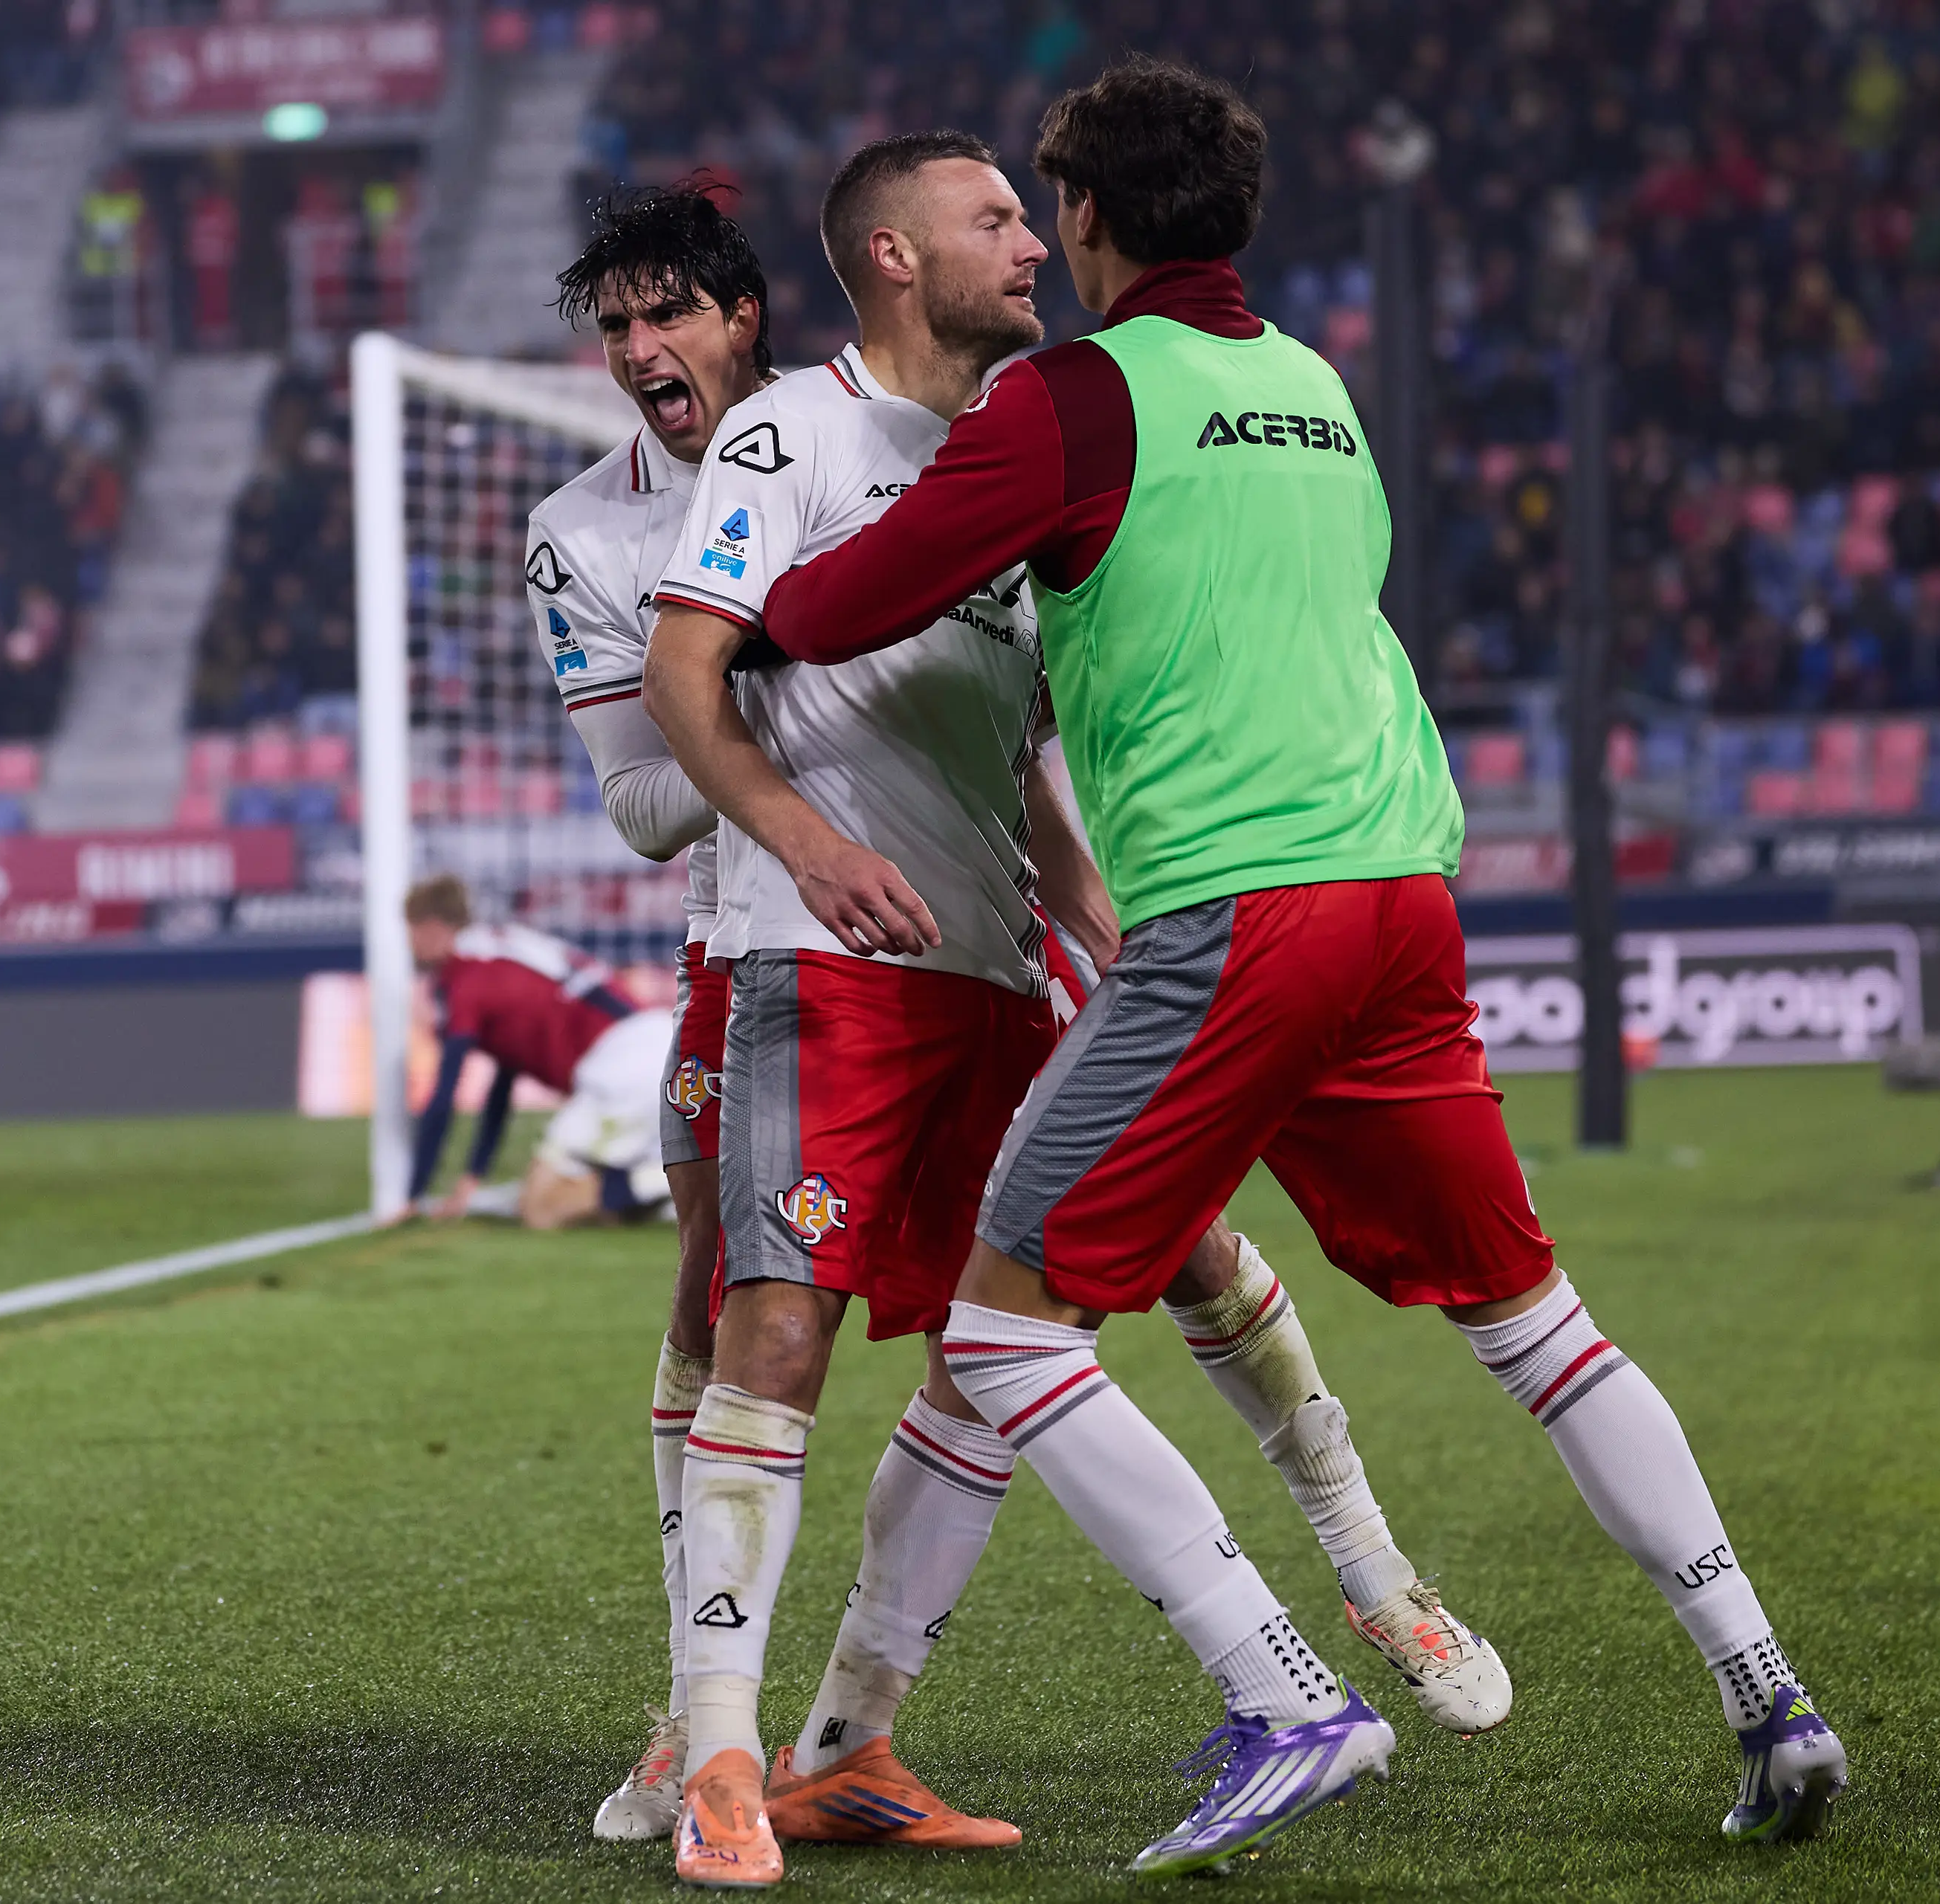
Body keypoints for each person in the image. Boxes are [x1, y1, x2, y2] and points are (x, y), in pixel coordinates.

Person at [755, 57, 1850, 1859]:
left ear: (1092, 219)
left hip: (1237, 911)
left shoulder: (1070, 400)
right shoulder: (1309, 387)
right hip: (1399, 903)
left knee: (998, 1323)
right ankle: (1764, 1688)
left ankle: (1280, 1686)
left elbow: (831, 608)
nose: (1039, 241)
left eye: (1048, 211)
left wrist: (747, 603)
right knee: (1538, 1325)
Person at [645, 130, 1496, 1890]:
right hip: (819, 965)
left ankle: (856, 1735)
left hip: (992, 963)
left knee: (1061, 1311)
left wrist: (1093, 910)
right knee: (781, 1326)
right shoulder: (785, 435)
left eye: (1034, 216)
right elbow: (688, 666)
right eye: (992, 220)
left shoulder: (1024, 442)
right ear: (890, 256)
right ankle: (715, 1751)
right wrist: (802, 842)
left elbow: (1011, 740)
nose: (1034, 245)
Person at [521, 184, 774, 1841]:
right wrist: (746, 671)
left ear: (744, 313)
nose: (639, 349)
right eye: (617, 325)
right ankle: (703, 1715)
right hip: (752, 940)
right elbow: (640, 805)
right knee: (720, 1300)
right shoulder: (583, 527)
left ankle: (1360, 1580)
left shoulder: (878, 438)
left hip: (981, 909)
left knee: (1142, 1260)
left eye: (668, 312)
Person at [401, 877, 671, 1229]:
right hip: (654, 1043)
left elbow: (445, 1090)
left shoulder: (465, 977)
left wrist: (412, 1195)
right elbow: (503, 1081)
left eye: (410, 931)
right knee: (581, 1199)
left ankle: (671, 1180)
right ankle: (649, 1187)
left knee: (541, 1207)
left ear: (432, 928)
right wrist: (472, 1177)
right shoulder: (499, 950)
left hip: (624, 1071)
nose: (408, 944)